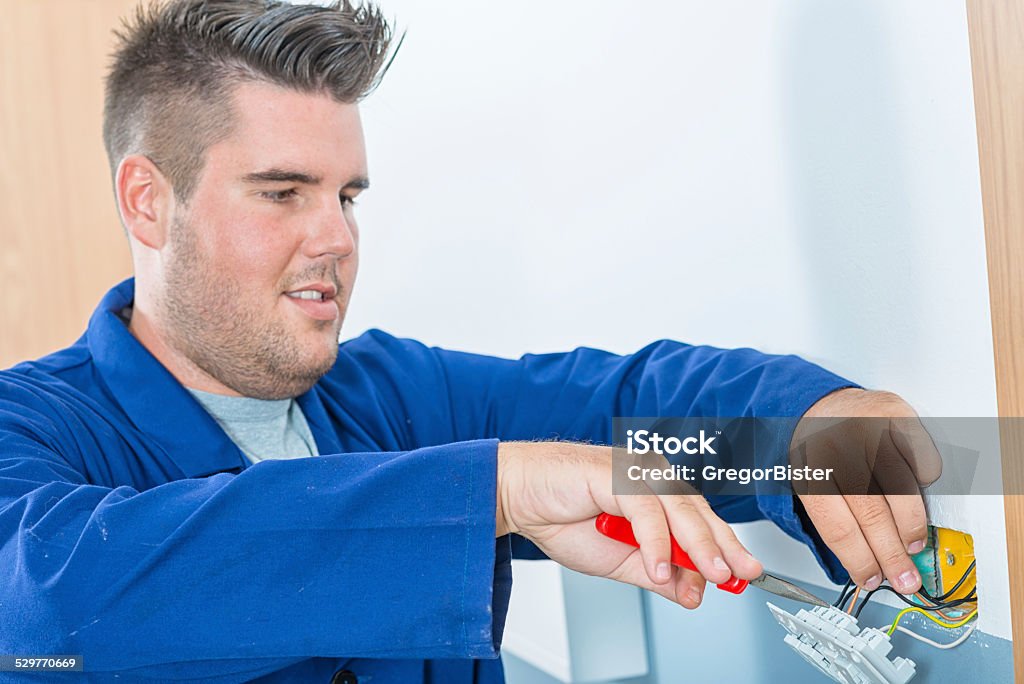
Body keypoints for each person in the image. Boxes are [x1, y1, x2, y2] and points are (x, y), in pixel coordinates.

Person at [0, 1, 939, 682]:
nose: (335, 236)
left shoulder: (399, 401)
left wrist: (801, 430)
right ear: (147, 201)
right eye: (283, 192)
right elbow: (46, 605)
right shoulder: (31, 429)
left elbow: (630, 422)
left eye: (349, 196)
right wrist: (490, 489)